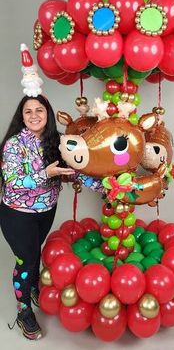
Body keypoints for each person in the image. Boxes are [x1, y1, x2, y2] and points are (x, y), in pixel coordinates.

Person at [0, 94, 76, 340]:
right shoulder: (14, 144)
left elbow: (75, 170)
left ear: (48, 114)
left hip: (47, 211)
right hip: (17, 214)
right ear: (21, 117)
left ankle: (33, 287)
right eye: (28, 111)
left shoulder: (59, 141)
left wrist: (107, 185)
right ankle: (24, 312)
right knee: (27, 260)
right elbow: (12, 183)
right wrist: (46, 172)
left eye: (39, 110)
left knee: (36, 251)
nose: (34, 116)